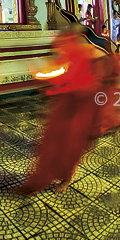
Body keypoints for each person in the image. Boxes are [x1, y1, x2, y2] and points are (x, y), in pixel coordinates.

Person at [19, 25, 100, 195]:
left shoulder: (85, 52)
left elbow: (72, 78)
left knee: (70, 146)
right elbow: (56, 69)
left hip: (79, 108)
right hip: (64, 105)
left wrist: (43, 76)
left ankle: (66, 179)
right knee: (50, 144)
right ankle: (40, 180)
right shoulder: (68, 52)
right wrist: (43, 75)